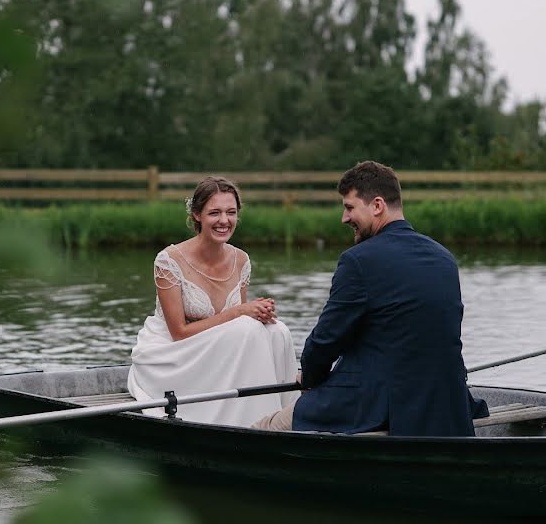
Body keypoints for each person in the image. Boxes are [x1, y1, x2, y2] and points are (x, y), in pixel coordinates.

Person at [253, 161, 486, 435]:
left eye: (349, 207)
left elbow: (325, 342)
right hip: (446, 401)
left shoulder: (358, 261)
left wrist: (310, 377)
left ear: (377, 206)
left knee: (262, 428)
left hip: (379, 404)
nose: (344, 218)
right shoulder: (444, 258)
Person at [127, 176, 299, 426]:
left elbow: (239, 326)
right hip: (172, 353)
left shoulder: (241, 260)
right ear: (197, 215)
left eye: (231, 212)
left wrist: (259, 312)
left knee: (277, 330)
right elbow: (179, 332)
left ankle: (286, 417)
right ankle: (254, 423)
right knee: (247, 326)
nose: (224, 221)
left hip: (215, 349)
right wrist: (241, 311)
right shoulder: (168, 261)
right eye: (214, 213)